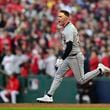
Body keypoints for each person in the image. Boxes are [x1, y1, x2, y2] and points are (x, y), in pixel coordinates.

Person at [36, 10, 110, 103]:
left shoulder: (69, 29)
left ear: (66, 18)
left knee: (81, 80)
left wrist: (61, 58)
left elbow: (70, 46)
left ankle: (100, 69)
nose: (58, 18)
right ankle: (49, 95)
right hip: (69, 57)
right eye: (58, 16)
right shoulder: (67, 28)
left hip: (75, 57)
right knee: (58, 75)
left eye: (60, 17)